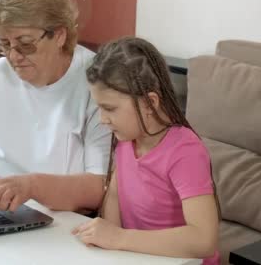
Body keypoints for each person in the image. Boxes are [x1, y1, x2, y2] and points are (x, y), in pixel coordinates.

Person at [0, 0, 111, 218]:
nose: (14, 56)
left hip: (60, 217)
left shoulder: (96, 82)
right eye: (5, 44)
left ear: (59, 35)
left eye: (25, 43)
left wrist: (30, 188)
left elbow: (98, 187)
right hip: (1, 212)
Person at [72, 37, 220, 265]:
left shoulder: (185, 151)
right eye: (99, 107)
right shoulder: (125, 138)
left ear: (149, 103)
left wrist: (119, 238)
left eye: (109, 108)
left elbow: (204, 240)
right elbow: (114, 195)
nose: (102, 120)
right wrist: (108, 242)